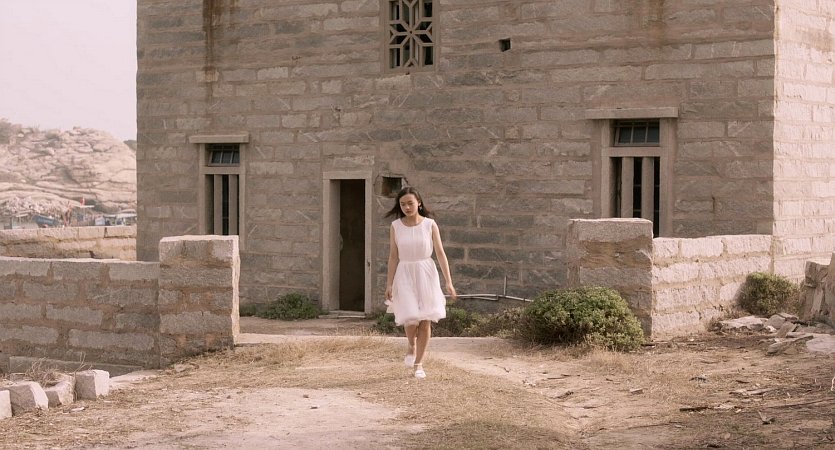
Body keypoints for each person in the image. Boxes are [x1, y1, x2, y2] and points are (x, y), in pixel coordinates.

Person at [385, 186, 456, 379]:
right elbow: (393, 256)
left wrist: (448, 282)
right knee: (410, 318)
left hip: (426, 272)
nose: (407, 207)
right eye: (402, 204)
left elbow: (440, 253)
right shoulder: (396, 226)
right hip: (404, 273)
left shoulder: (430, 225)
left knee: (425, 319)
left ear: (419, 203)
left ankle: (419, 365)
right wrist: (389, 283)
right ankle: (411, 344)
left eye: (410, 203)